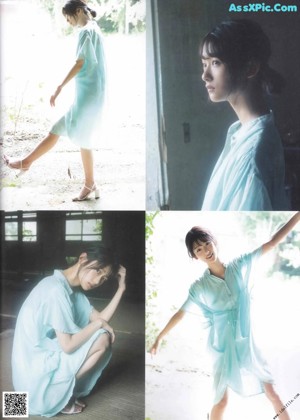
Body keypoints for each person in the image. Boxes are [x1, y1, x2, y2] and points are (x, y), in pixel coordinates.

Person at [150, 212, 300, 420]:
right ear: (195, 256)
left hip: (247, 344)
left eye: (206, 244)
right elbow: (181, 312)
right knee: (221, 401)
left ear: (214, 242)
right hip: (223, 348)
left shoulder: (239, 266)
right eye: (198, 249)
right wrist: (159, 337)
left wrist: (297, 217)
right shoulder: (200, 286)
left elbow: (272, 242)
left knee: (272, 393)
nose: (205, 251)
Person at [4, 0, 106, 201]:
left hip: (88, 95)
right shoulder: (95, 28)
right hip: (93, 92)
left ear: (77, 11)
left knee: (69, 133)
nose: (68, 23)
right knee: (68, 132)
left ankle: (88, 183)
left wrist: (59, 87)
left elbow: (80, 63)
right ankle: (89, 183)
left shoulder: (86, 32)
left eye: (68, 18)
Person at [12, 247, 126, 416]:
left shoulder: (66, 288)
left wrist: (121, 289)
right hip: (34, 371)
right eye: (98, 271)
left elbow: (100, 317)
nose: (97, 281)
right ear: (82, 258)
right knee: (102, 338)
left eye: (103, 278)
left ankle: (58, 393)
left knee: (103, 335)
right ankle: (60, 397)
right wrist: (98, 325)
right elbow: (68, 346)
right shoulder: (55, 290)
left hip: (31, 367)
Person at [200, 19, 289, 210]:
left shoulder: (252, 155)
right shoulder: (244, 132)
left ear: (250, 68)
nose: (205, 75)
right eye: (204, 64)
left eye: (215, 62)